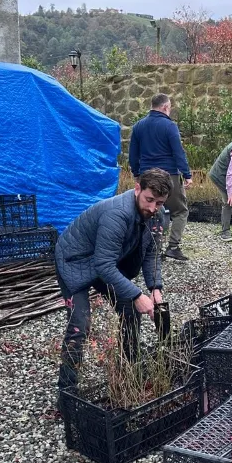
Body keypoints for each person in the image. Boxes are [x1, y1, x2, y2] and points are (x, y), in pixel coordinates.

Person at [53, 168, 170, 394]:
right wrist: (137, 294)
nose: (153, 208)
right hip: (74, 260)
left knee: (130, 311)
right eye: (149, 200)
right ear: (137, 188)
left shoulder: (156, 214)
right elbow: (104, 265)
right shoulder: (117, 214)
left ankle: (129, 372)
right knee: (80, 325)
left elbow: (151, 253)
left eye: (159, 202)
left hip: (103, 259)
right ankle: (66, 391)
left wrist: (155, 289)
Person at [128, 93, 193, 261]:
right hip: (168, 176)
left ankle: (152, 248)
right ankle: (173, 246)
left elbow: (133, 155)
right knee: (180, 211)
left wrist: (136, 173)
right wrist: (187, 175)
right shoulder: (169, 126)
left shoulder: (138, 126)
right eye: (169, 108)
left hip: (146, 175)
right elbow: (178, 152)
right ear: (165, 107)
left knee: (149, 210)